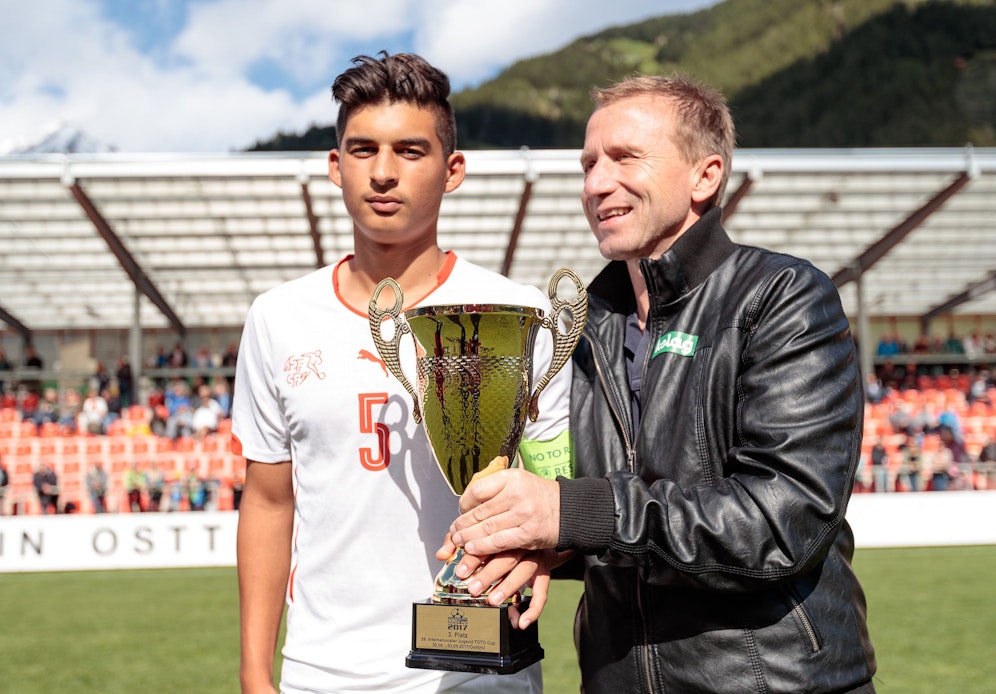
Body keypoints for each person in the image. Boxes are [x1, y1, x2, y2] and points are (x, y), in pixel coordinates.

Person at [445, 74, 876, 691]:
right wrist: (551, 544)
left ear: (705, 176)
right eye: (589, 164)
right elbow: (618, 525)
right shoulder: (582, 331)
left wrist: (572, 512)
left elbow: (782, 522)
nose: (596, 184)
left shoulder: (782, 298)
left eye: (625, 158)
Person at [232, 52, 570, 694]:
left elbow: (560, 487)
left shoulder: (519, 315)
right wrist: (254, 671)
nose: (383, 172)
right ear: (336, 166)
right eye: (363, 149)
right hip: (322, 674)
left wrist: (549, 548)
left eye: (411, 151)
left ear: (452, 169)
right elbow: (270, 501)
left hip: (478, 671)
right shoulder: (278, 317)